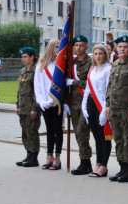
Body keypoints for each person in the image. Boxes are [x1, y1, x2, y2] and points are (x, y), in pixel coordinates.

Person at [106, 35, 128, 183]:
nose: (122, 49)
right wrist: (107, 104)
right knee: (119, 139)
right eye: (120, 47)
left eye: (125, 47)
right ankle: (122, 168)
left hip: (127, 109)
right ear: (116, 48)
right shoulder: (115, 64)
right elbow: (110, 86)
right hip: (114, 108)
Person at [82, 44, 112, 178]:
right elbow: (88, 89)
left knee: (104, 137)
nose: (98, 56)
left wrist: (104, 111)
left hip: (102, 105)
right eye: (96, 54)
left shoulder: (108, 69)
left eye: (101, 53)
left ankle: (104, 165)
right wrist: (84, 105)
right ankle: (98, 163)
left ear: (105, 55)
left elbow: (108, 91)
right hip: (91, 103)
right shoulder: (92, 69)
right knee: (96, 137)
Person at [34, 41, 64, 170]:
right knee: (49, 130)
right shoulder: (41, 64)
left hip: (57, 102)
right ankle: (49, 155)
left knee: (58, 130)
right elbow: (38, 85)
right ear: (51, 48)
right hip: (45, 102)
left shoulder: (62, 63)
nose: (59, 49)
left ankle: (57, 157)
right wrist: (41, 101)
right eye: (57, 47)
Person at [68, 35, 94, 175]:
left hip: (87, 103)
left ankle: (86, 162)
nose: (79, 48)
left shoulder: (91, 62)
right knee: (78, 135)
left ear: (87, 47)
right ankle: (85, 163)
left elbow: (91, 84)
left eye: (82, 45)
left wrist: (74, 82)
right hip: (73, 104)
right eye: (76, 45)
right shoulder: (71, 63)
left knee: (82, 132)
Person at [14, 47, 41, 167]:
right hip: (23, 107)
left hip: (31, 107)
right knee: (25, 132)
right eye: (22, 57)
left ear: (32, 57)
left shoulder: (37, 71)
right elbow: (19, 90)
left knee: (32, 132)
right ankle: (28, 154)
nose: (23, 59)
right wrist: (18, 105)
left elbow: (38, 91)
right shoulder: (23, 71)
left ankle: (34, 157)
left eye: (25, 57)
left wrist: (35, 108)